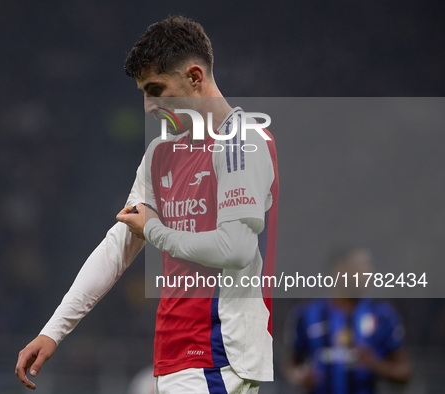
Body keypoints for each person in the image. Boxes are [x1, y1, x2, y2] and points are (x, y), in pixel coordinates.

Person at [15, 16, 279, 393]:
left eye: (156, 89)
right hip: (174, 356)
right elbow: (118, 244)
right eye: (142, 92)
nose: (148, 106)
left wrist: (154, 230)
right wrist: (53, 332)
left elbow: (235, 249)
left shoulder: (242, 141)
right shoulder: (160, 154)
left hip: (218, 356)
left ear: (194, 77)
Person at [285, 247, 411, 393]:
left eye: (369, 266)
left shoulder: (381, 314)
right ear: (339, 271)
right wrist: (299, 376)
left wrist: (374, 364)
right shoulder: (308, 314)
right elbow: (292, 364)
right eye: (361, 267)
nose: (369, 273)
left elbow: (405, 373)